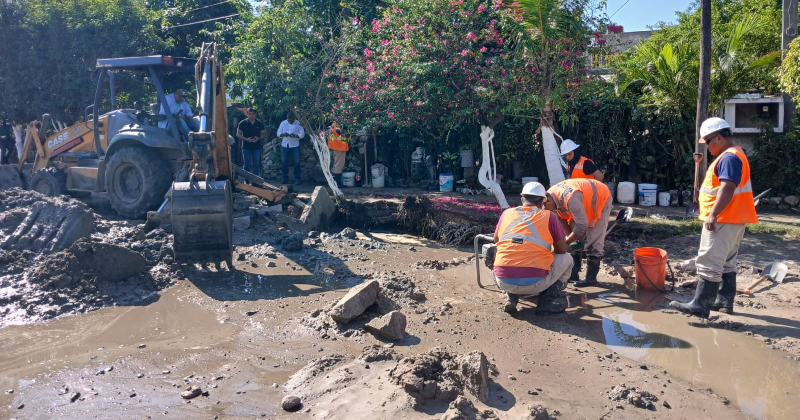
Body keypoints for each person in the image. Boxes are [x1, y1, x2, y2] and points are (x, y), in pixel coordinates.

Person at [670, 118, 758, 318]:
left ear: (719, 137)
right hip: (734, 219)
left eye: (708, 141)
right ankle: (724, 301)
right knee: (727, 262)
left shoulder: (729, 157)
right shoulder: (736, 155)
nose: (707, 147)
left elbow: (727, 187)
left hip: (723, 219)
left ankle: (700, 305)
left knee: (709, 261)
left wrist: (713, 214)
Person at [493, 182, 574, 314]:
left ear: (522, 199)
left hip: (503, 281)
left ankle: (511, 299)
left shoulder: (506, 213)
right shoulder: (549, 216)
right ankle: (546, 304)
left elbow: (497, 240)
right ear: (542, 202)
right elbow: (561, 249)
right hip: (535, 284)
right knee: (567, 258)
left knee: (501, 251)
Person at [543, 178, 612, 288]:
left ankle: (591, 279)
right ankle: (573, 274)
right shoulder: (550, 197)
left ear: (548, 201)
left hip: (599, 197)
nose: (546, 211)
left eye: (546, 208)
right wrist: (571, 241)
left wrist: (566, 242)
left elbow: (582, 226)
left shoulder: (570, 199)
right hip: (581, 200)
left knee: (594, 240)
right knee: (574, 236)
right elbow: (562, 221)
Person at [277, 111, 305, 184]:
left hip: (295, 145)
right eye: (289, 120)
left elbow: (302, 134)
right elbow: (278, 133)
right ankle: (284, 179)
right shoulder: (283, 123)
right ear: (287, 118)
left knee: (296, 162)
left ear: (294, 118)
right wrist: (283, 134)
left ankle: (297, 179)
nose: (290, 121)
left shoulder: (298, 123)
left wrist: (296, 136)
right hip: (285, 145)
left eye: (292, 120)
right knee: (284, 162)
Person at [237, 108, 266, 176]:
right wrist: (246, 139)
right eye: (249, 114)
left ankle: (255, 180)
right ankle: (246, 179)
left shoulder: (259, 123)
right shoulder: (242, 123)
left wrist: (258, 138)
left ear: (255, 114)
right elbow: (238, 134)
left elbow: (263, 134)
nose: (251, 115)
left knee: (256, 164)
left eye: (253, 114)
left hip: (256, 146)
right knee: (246, 164)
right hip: (246, 146)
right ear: (247, 114)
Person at [327, 120, 349, 185]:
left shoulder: (333, 125)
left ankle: (335, 182)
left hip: (336, 147)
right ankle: (338, 183)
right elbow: (343, 134)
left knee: (336, 165)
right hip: (340, 147)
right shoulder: (338, 126)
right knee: (339, 165)